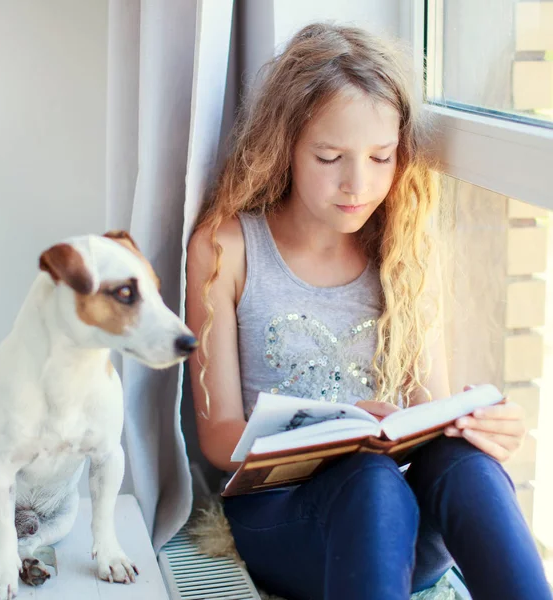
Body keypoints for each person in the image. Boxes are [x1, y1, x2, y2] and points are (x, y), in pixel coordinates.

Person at [186, 23, 551, 600]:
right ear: (285, 145)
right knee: (369, 478)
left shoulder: (404, 250)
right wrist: (334, 430)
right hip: (286, 520)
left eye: (381, 157)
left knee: (464, 463)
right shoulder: (225, 248)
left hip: (397, 535)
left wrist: (480, 428)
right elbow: (217, 436)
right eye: (330, 157)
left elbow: (429, 412)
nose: (358, 184)